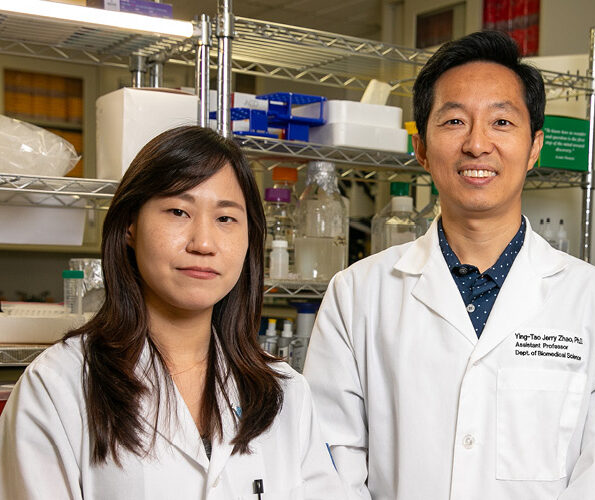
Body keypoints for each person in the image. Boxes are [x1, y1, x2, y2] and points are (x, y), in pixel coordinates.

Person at [303, 31, 595, 500]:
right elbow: (330, 463)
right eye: (453, 122)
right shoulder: (357, 295)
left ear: (534, 148)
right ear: (422, 148)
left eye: (502, 122)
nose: (477, 144)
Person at [0, 126, 346, 499]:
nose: (203, 243)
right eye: (178, 211)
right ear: (130, 225)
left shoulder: (284, 391)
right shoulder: (58, 386)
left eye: (226, 218)